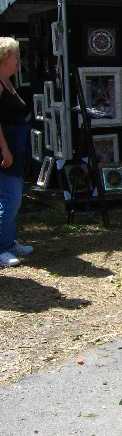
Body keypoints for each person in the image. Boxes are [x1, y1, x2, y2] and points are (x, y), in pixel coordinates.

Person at [0, 37, 32, 268]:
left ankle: (9, 243)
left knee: (14, 197)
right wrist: (4, 149)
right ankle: (1, 248)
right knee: (10, 198)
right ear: (3, 58)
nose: (19, 61)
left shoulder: (9, 82)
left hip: (16, 148)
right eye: (16, 56)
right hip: (5, 149)